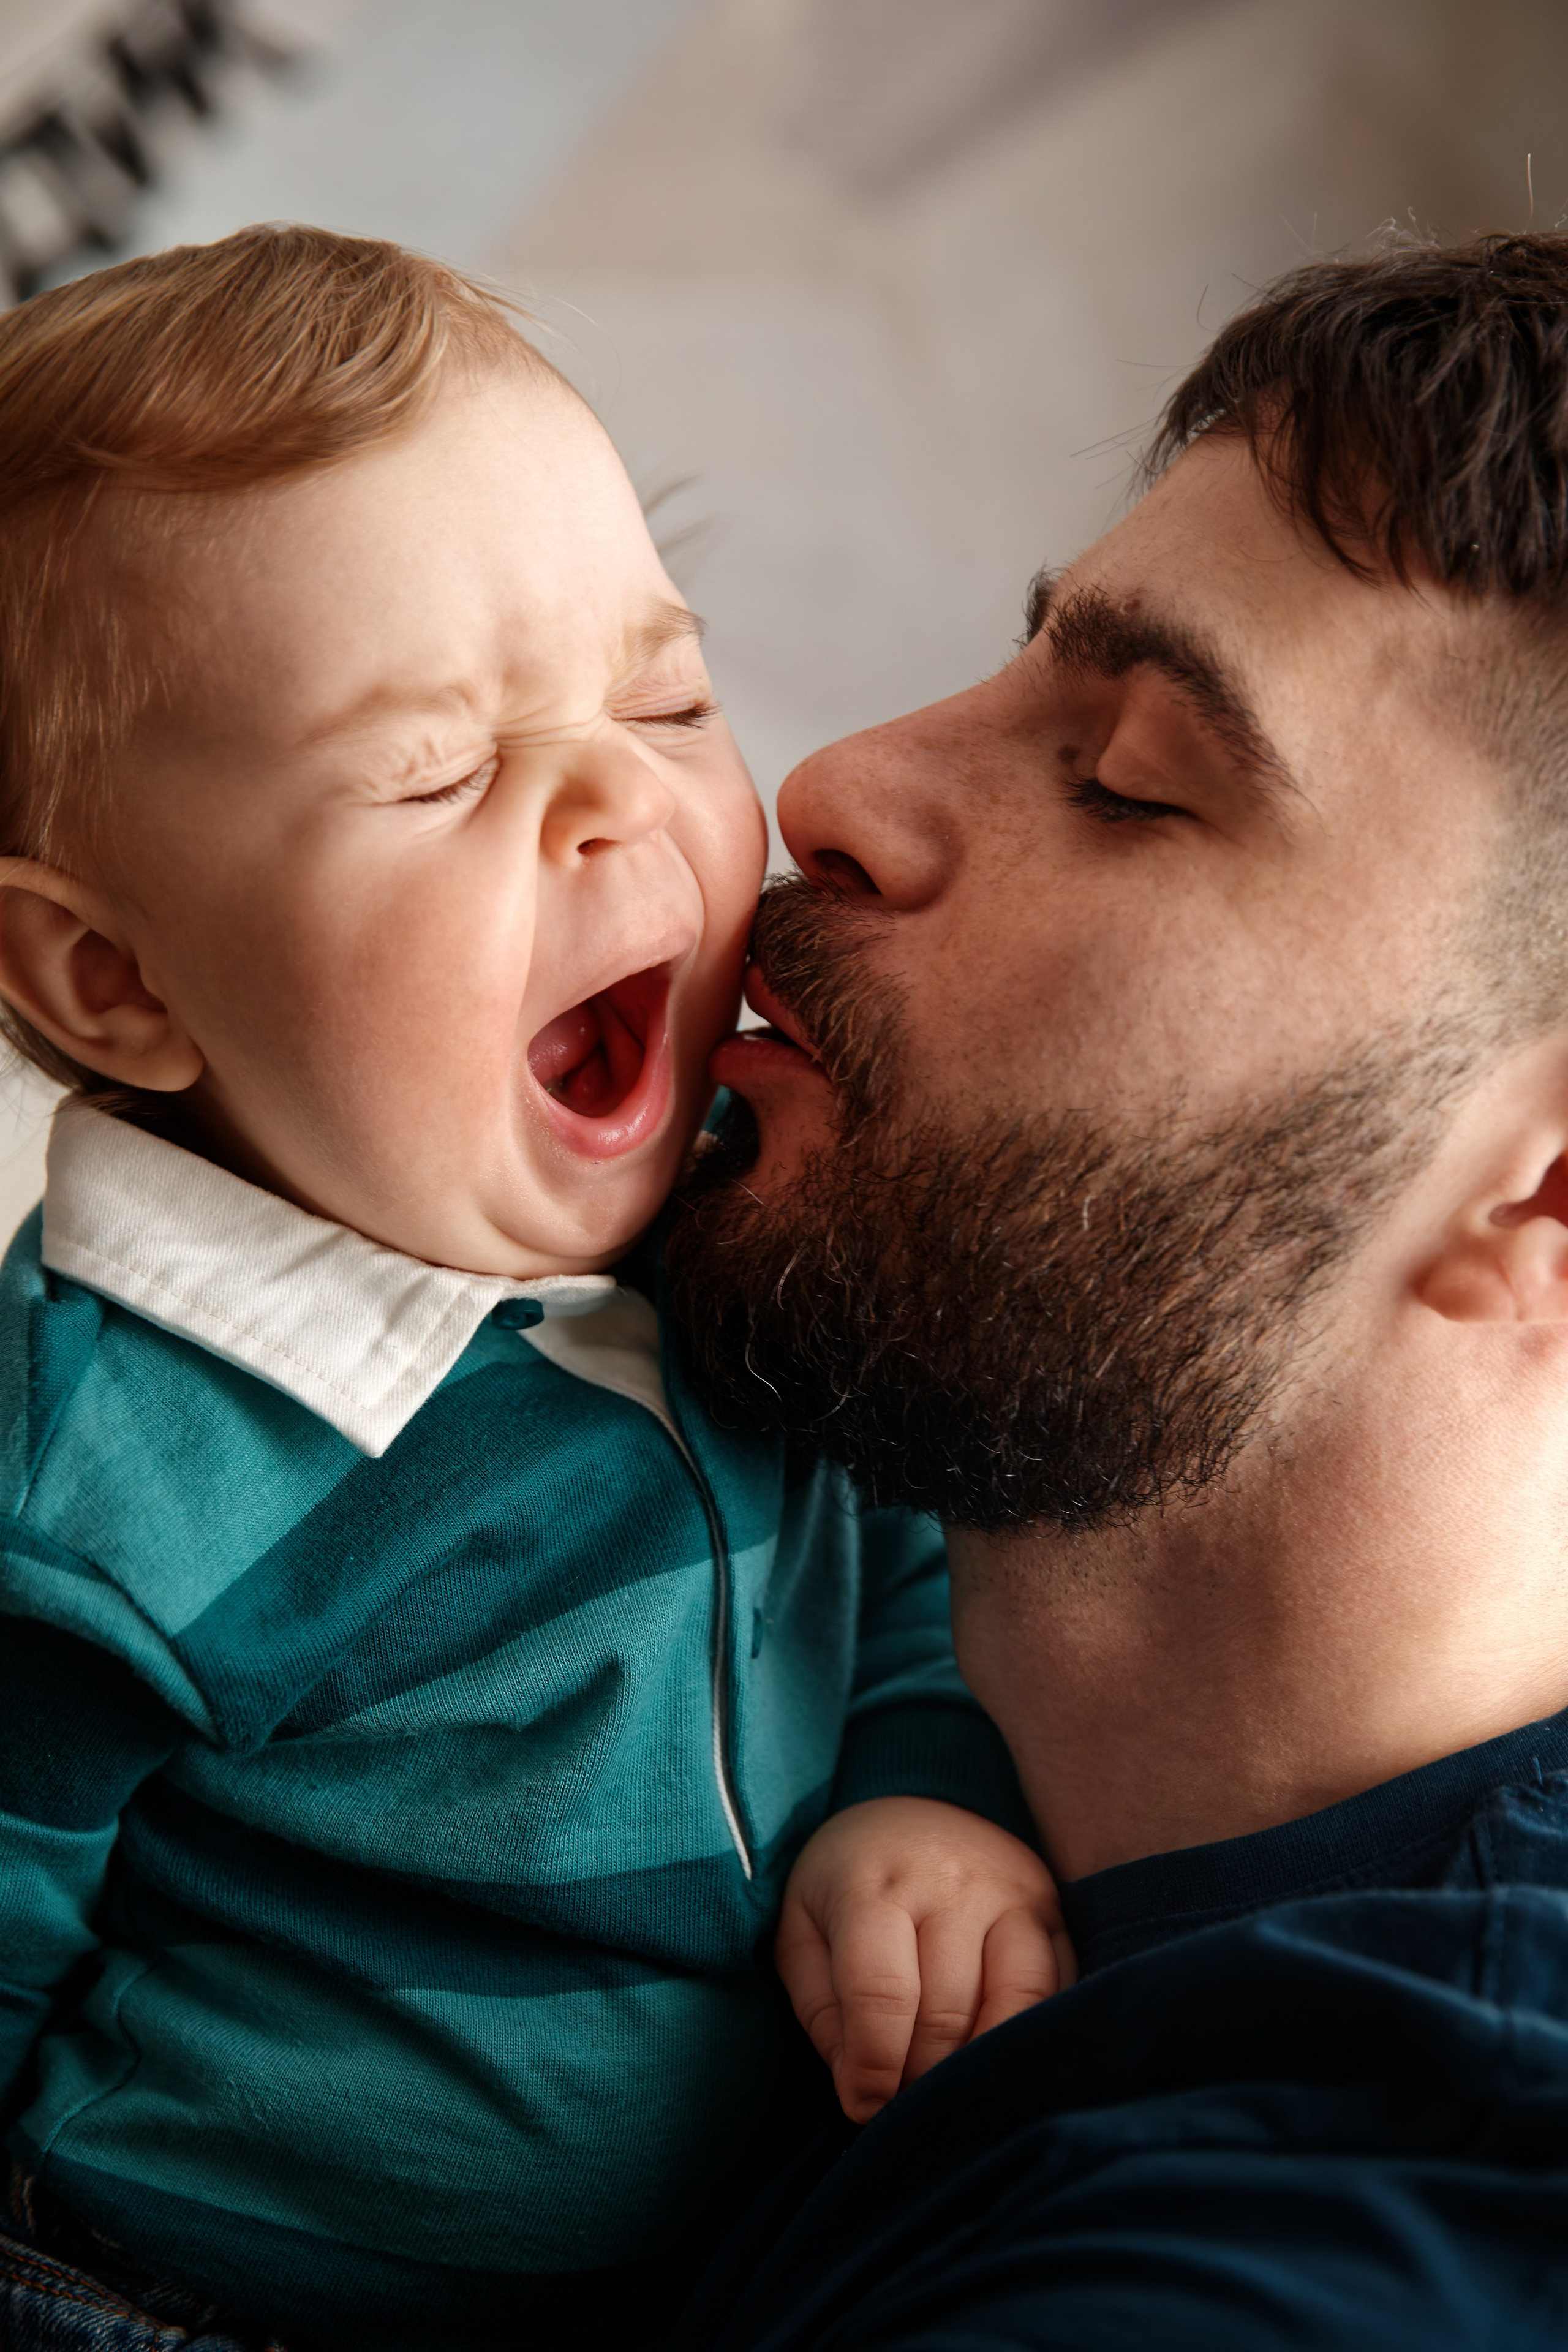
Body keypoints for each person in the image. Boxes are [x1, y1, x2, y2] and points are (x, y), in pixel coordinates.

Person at [0, 225, 1069, 2352]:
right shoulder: (95, 1485)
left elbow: (911, 1540)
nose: (622, 800)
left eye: (663, 692)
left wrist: (918, 1787)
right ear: (114, 982)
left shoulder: (747, 1210)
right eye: (438, 771)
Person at [665, 232, 1568, 2348]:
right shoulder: (718, 1594)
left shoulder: (1376, 2216)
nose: (838, 790)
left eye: (1128, 777)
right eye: (1014, 669)